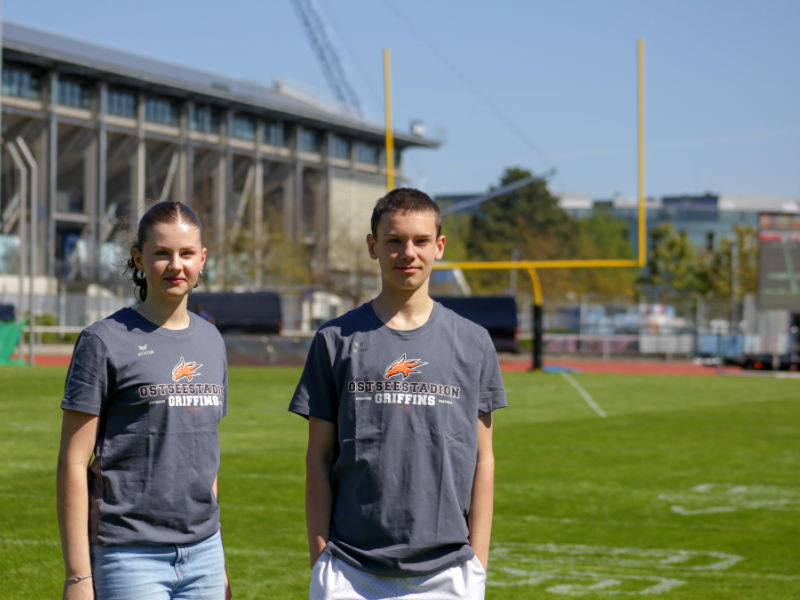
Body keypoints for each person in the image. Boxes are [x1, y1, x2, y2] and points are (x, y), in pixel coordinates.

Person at [289, 188, 507, 599]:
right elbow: (318, 456)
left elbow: (484, 457)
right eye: (394, 240)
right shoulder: (335, 339)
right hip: (350, 570)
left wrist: (477, 563)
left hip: (448, 571)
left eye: (421, 241)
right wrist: (321, 558)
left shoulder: (473, 342)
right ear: (373, 246)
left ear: (439, 246)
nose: (408, 252)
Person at [57, 201, 231, 600]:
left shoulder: (212, 340)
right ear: (139, 258)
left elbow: (206, 457)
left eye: (187, 253)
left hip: (204, 554)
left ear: (202, 259)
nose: (176, 265)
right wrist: (77, 576)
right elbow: (72, 462)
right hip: (128, 555)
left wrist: (217, 560)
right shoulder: (103, 341)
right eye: (161, 253)